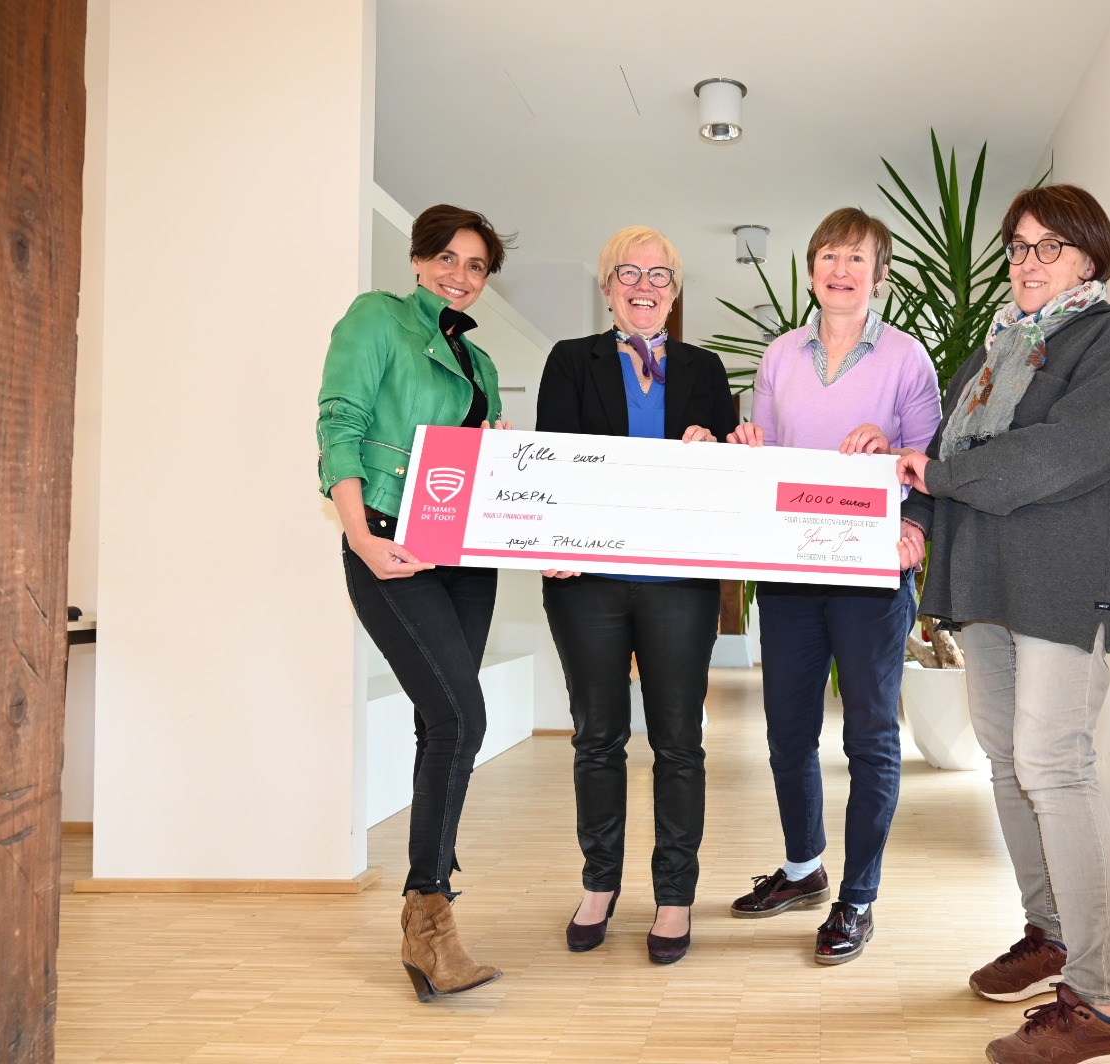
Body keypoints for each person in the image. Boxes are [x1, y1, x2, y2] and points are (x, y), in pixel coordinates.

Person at [896, 184, 1110, 1064]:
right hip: (987, 582)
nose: (1028, 262)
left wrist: (937, 478)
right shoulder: (994, 347)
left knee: (1056, 766)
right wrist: (914, 507)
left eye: (1050, 247)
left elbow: (1065, 452)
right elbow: (941, 455)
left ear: (1088, 256)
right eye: (1018, 247)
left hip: (1062, 582)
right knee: (1008, 764)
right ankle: (1050, 937)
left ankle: (1100, 1004)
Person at [725, 207, 940, 964]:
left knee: (870, 737)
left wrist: (902, 480)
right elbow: (766, 460)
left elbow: (929, 464)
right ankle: (803, 869)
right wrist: (747, 444)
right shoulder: (779, 356)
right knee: (787, 730)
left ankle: (858, 897)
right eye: (828, 256)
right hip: (789, 573)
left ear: (879, 274)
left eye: (856, 258)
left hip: (870, 573)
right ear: (812, 269)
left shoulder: (907, 358)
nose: (840, 270)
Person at [316, 203, 515, 1002]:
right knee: (463, 718)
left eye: (476, 266)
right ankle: (429, 918)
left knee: (443, 720)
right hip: (391, 544)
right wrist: (360, 536)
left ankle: (427, 914)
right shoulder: (378, 319)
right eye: (448, 258)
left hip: (465, 557)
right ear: (419, 257)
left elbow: (471, 470)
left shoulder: (481, 363)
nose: (459, 276)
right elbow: (340, 423)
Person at [536, 226, 738, 965]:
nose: (644, 286)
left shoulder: (706, 369)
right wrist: (547, 538)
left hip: (679, 583)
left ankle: (675, 896)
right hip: (586, 583)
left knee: (679, 742)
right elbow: (552, 462)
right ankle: (599, 886)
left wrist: (717, 453)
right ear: (607, 287)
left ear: (675, 293)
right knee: (597, 738)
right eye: (629, 272)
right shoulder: (570, 360)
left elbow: (731, 477)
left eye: (660, 275)